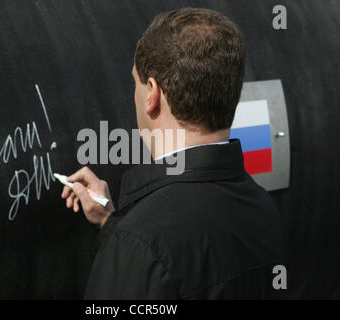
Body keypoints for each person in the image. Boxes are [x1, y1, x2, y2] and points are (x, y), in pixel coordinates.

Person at [61, 7, 283, 299]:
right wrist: (112, 223)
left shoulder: (139, 246)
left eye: (135, 83)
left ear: (152, 93)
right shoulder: (264, 209)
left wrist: (128, 243)